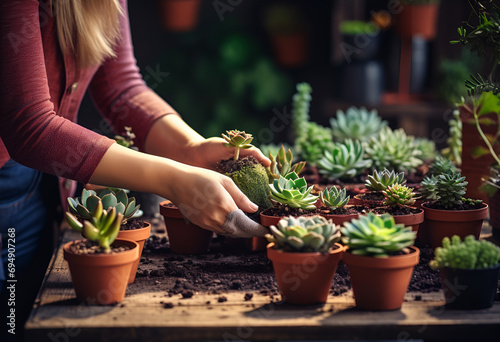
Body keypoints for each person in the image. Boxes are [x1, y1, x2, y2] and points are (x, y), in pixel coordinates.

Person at [0, 0, 268, 337]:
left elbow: (120, 87)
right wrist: (173, 179)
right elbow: (29, 128)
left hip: (46, 179)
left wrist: (190, 148)